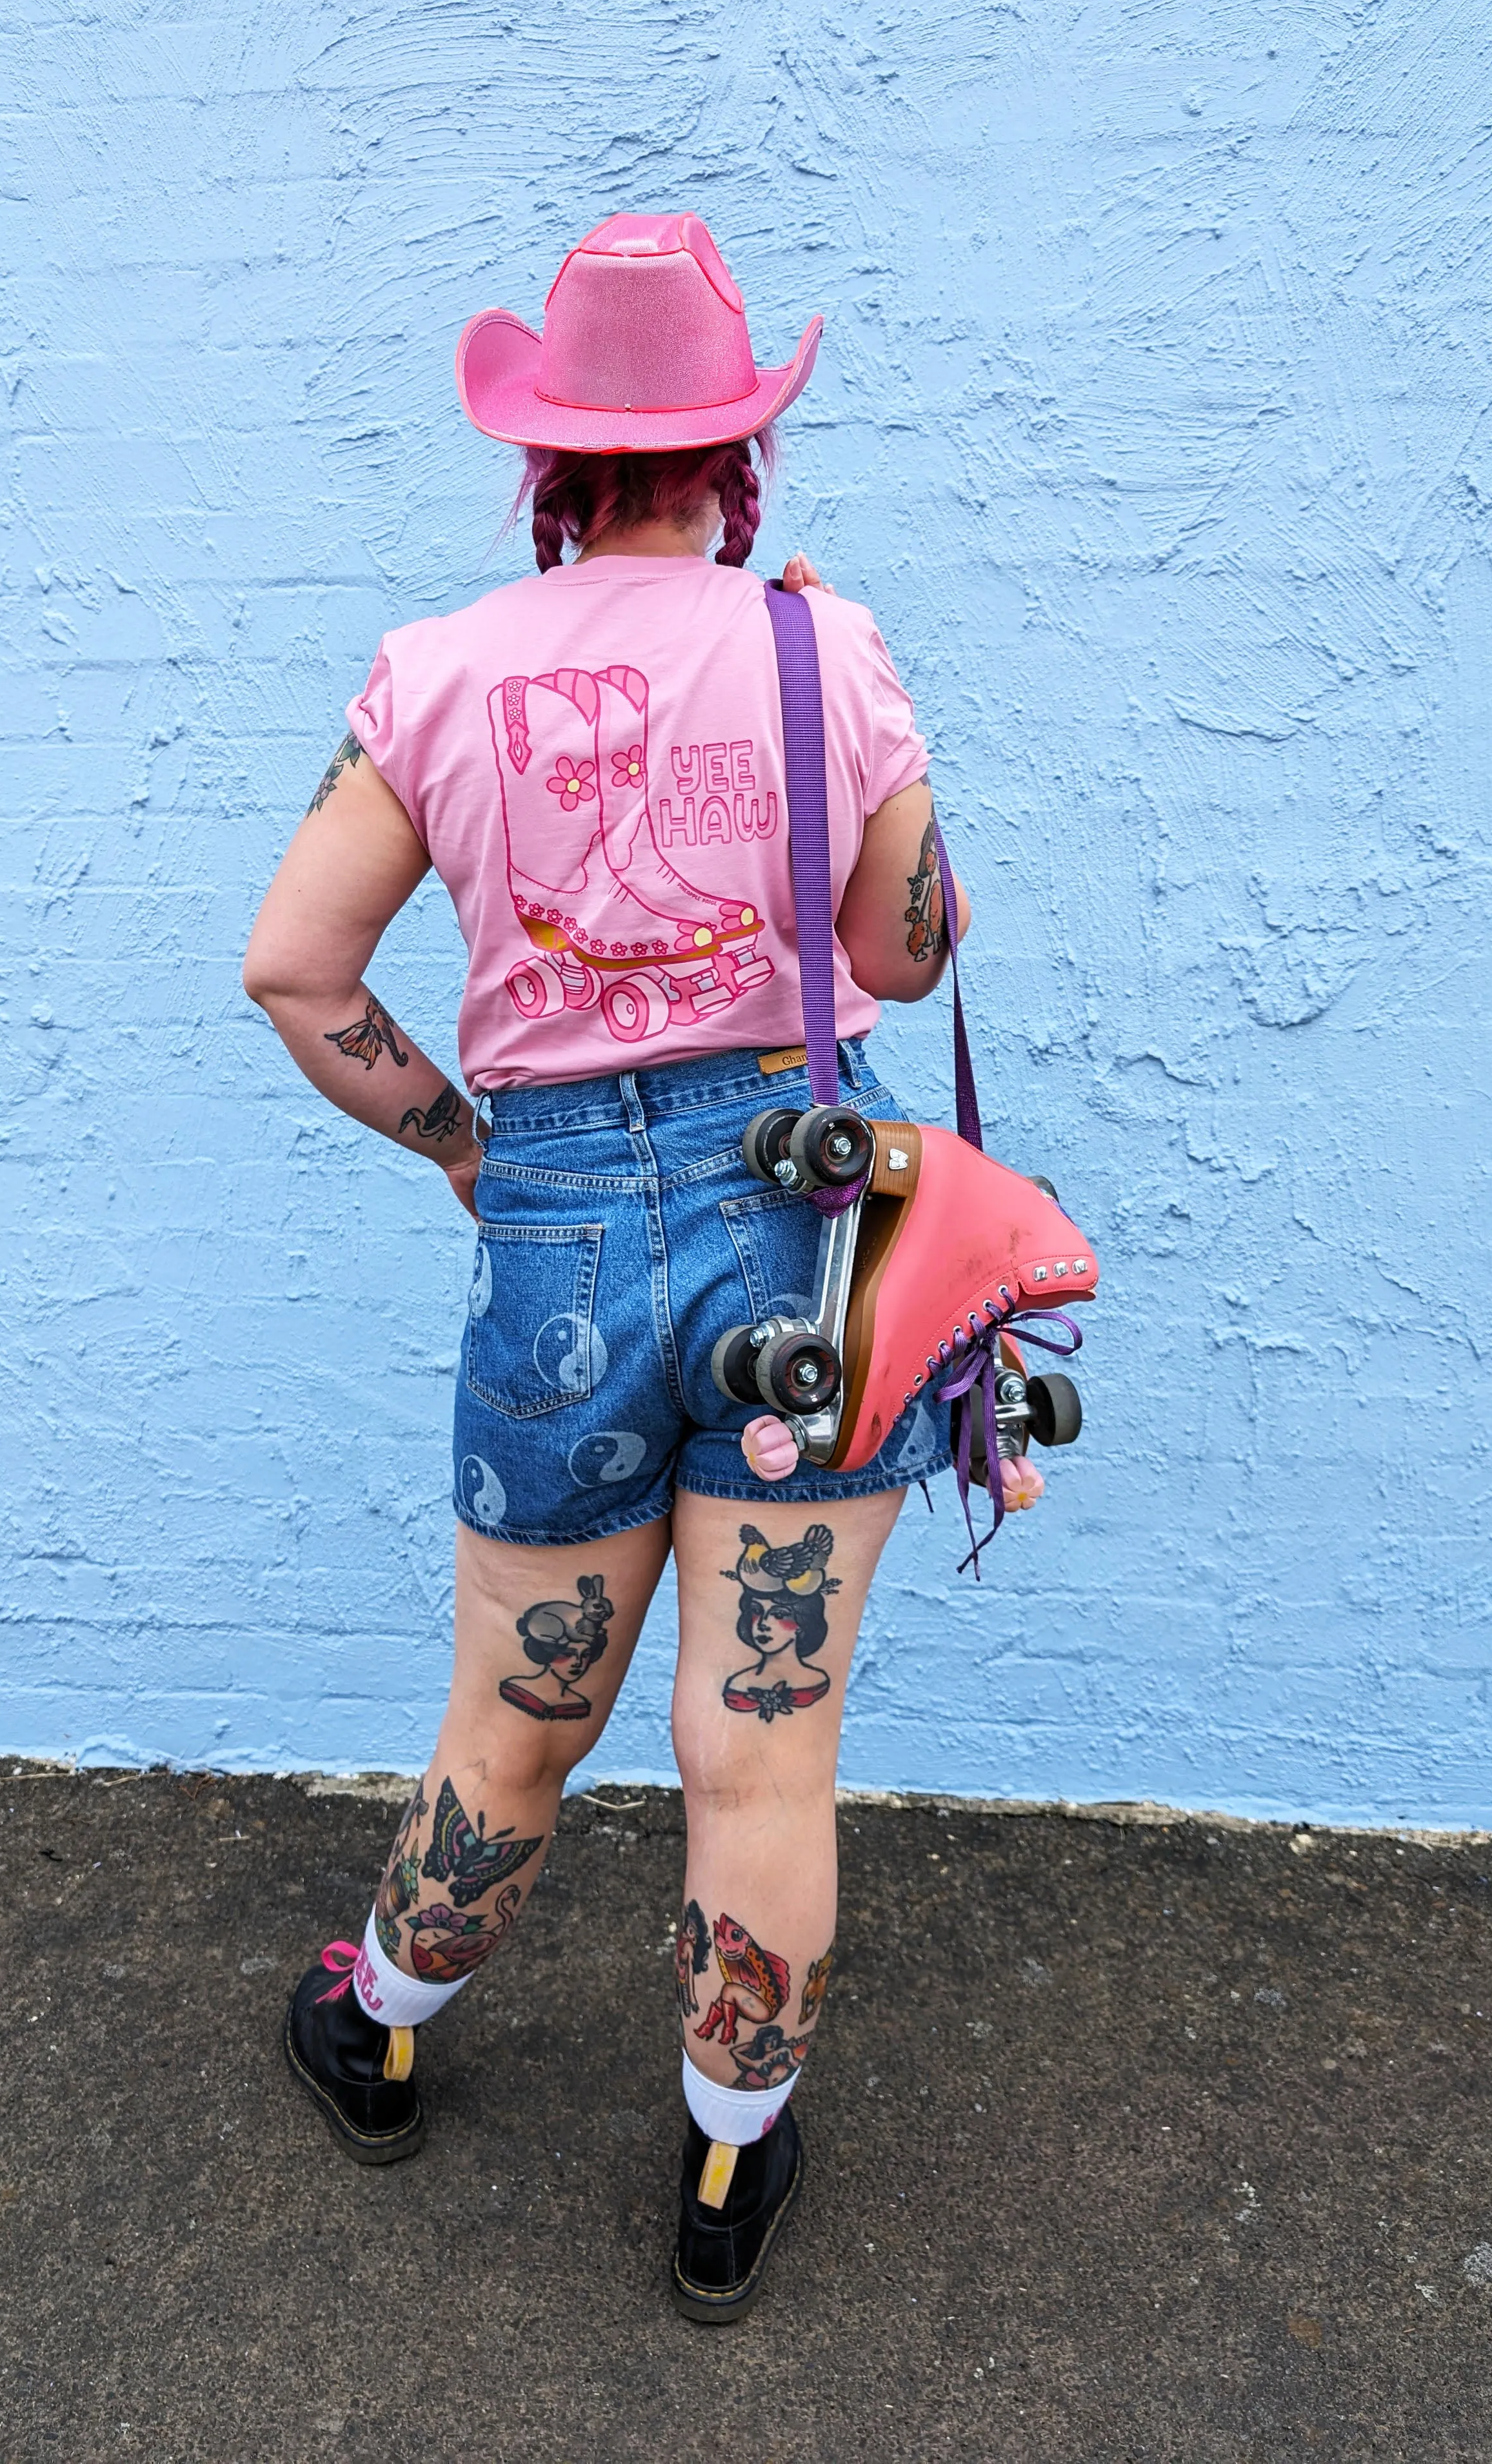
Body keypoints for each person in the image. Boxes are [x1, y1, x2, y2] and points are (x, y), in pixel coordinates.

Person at [242, 212, 970, 2321]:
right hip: (797, 1227)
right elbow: (903, 960)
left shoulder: (439, 671)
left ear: (548, 463)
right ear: (739, 454)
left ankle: (375, 2031)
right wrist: (884, 746)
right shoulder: (826, 647)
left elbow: (297, 971)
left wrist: (477, 1149)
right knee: (765, 1745)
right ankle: (727, 2180)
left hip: (556, 1224)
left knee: (515, 1716)